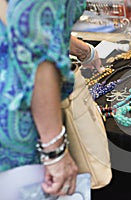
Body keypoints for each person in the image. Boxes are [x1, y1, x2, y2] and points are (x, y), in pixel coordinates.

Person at [0, 0, 102, 199]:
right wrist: (54, 151)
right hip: (17, 117)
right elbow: (34, 44)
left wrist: (83, 51)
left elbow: (41, 24)